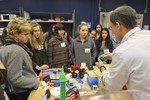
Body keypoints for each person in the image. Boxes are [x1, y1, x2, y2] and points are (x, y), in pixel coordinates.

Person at [96, 5, 150, 96]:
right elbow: (140, 56)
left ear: (118, 26)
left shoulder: (122, 52)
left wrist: (102, 69)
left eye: (111, 27)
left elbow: (111, 86)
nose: (112, 32)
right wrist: (114, 56)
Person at [0, 17, 39, 100]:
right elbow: (15, 79)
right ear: (14, 33)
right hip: (23, 91)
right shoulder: (15, 50)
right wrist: (35, 82)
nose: (28, 37)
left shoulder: (7, 46)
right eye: (25, 34)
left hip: (20, 90)